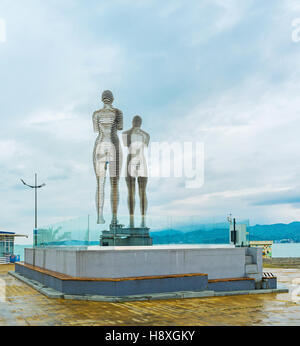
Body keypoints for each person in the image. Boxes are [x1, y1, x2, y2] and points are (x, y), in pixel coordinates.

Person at [93, 90, 123, 225]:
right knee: (114, 184)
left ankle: (99, 216)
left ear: (102, 99)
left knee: (100, 183)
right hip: (112, 145)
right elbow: (120, 128)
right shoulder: (118, 112)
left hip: (99, 146)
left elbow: (96, 130)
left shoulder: (96, 114)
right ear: (113, 99)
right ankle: (114, 218)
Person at [122, 116, 150, 228]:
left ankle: (143, 220)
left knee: (142, 191)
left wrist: (139, 129)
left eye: (139, 121)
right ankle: (132, 220)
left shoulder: (145, 135)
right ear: (132, 121)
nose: (137, 122)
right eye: (136, 121)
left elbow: (147, 138)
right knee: (131, 191)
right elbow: (126, 143)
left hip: (141, 160)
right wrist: (134, 129)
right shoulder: (127, 133)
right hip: (131, 159)